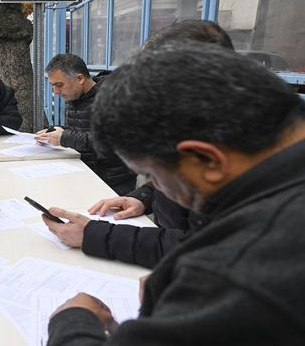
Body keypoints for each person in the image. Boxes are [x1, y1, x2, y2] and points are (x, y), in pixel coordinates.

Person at [47, 42, 305, 345]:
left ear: (206, 160)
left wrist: (72, 321)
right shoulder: (269, 188)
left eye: (155, 175)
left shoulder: (240, 271)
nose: (157, 189)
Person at [45, 20, 234, 269]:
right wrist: (143, 198)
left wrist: (94, 235)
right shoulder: (201, 125)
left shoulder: (237, 151)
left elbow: (204, 249)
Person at [36, 54, 136, 195]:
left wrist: (65, 137)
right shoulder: (75, 95)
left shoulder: (114, 97)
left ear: (80, 79)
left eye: (59, 85)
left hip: (112, 182)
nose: (56, 92)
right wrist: (54, 132)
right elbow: (81, 129)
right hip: (84, 174)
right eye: (53, 86)